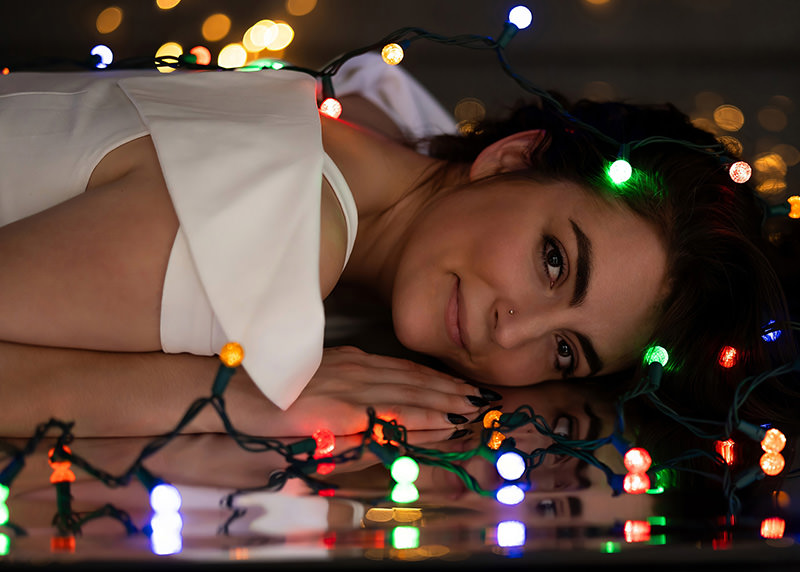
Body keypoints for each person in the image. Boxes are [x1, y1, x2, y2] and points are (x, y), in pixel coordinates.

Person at [0, 52, 796, 449]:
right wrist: (238, 400)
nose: (507, 332)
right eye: (554, 260)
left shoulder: (347, 138)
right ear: (511, 158)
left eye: (565, 349)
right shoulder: (284, 222)